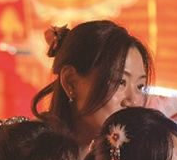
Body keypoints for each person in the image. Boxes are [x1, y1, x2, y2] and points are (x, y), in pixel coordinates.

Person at [32, 21, 150, 150]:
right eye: (120, 82)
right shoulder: (25, 154)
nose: (133, 102)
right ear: (71, 82)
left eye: (140, 87)